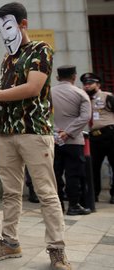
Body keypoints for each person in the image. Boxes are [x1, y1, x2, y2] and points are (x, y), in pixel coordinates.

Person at [0, 2, 71, 269]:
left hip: (34, 131)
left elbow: (32, 88)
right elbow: (12, 91)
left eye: (7, 27)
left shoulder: (41, 50)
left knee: (46, 193)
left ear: (22, 24)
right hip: (6, 132)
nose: (3, 34)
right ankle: (10, 242)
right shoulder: (8, 58)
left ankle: (57, 250)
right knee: (10, 193)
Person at [51, 65, 92, 215]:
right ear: (74, 76)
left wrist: (56, 132)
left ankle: (58, 205)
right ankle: (74, 205)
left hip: (53, 140)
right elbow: (85, 117)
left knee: (55, 173)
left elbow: (42, 115)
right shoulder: (80, 93)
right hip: (74, 141)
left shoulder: (48, 93)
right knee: (73, 174)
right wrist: (68, 132)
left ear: (57, 77)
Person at [80, 72, 114, 204]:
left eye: (90, 83)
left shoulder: (107, 96)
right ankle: (93, 194)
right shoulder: (84, 99)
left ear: (98, 85)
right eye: (85, 84)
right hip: (94, 137)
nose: (87, 86)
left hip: (110, 134)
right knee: (93, 167)